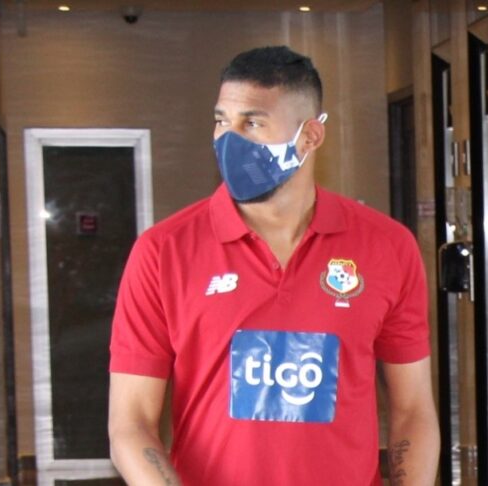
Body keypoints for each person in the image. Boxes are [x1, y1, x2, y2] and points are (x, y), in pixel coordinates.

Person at [107, 45, 440, 486]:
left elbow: (413, 410)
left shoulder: (387, 247)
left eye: (252, 123)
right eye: (221, 121)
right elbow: (130, 424)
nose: (229, 140)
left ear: (310, 136)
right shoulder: (162, 252)